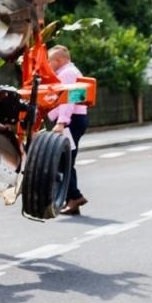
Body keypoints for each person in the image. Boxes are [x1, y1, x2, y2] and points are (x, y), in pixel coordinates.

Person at [48, 44, 89, 214]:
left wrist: (61, 122)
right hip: (73, 120)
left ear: (58, 61)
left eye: (49, 61)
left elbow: (68, 99)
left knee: (64, 160)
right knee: (65, 160)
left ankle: (74, 197)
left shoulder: (67, 74)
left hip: (70, 121)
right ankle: (72, 200)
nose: (48, 65)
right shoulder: (71, 72)